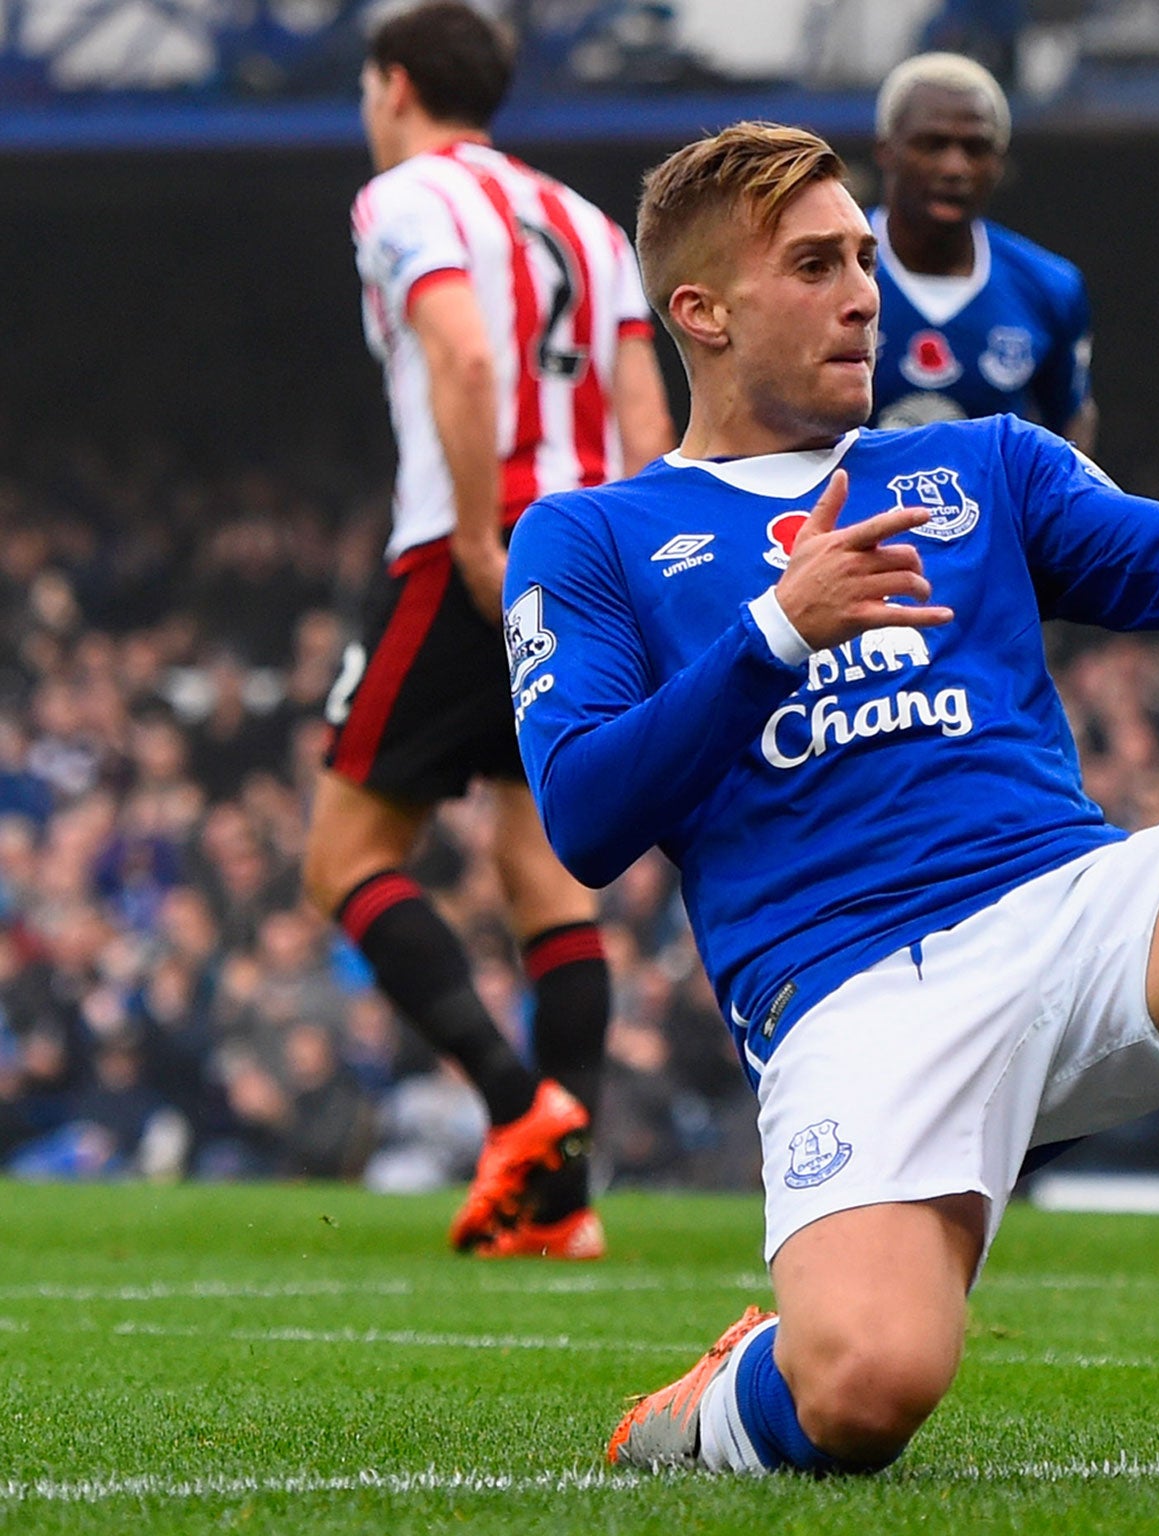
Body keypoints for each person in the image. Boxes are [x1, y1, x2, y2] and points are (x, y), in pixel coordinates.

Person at [506, 121, 1159, 1502]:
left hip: (1065, 916)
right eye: (815, 265)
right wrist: (771, 632)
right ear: (701, 310)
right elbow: (580, 816)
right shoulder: (589, 539)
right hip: (844, 995)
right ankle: (729, 1395)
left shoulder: (984, 463)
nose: (864, 291)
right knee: (866, 1395)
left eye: (862, 258)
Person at [303, 1, 674, 1259]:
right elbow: (641, 412)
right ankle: (560, 1207)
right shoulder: (582, 217)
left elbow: (463, 360)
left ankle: (523, 1116)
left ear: (394, 85)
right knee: (539, 866)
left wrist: (474, 536)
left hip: (470, 548)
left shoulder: (406, 196)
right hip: (589, 558)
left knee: (343, 857)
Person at [867, 53, 1096, 451]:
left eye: (975, 148)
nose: (955, 167)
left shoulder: (1049, 287)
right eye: (933, 144)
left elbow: (1071, 425)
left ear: (999, 162)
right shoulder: (821, 269)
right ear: (887, 150)